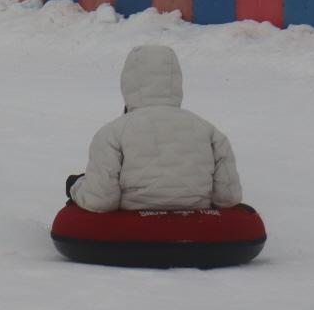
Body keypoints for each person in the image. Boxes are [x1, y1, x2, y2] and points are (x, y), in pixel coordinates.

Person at [67, 45, 242, 212]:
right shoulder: (209, 131)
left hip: (132, 229)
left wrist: (76, 186)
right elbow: (228, 198)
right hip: (198, 229)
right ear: (176, 81)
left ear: (128, 83)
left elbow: (100, 201)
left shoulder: (112, 133)